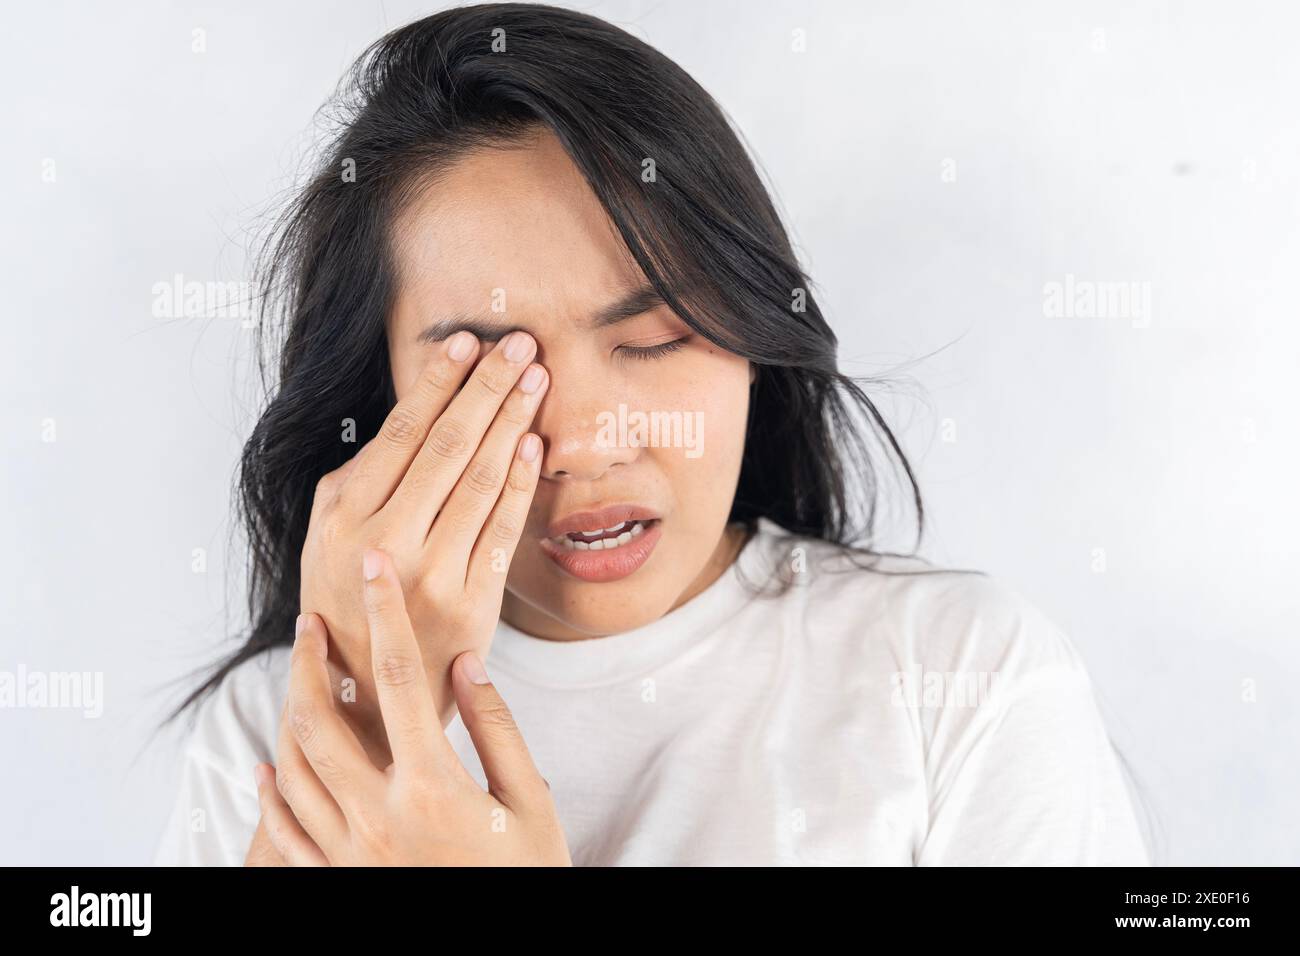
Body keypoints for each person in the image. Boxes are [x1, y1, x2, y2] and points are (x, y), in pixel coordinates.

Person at [155, 4, 1149, 866]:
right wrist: (361, 723)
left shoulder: (959, 678)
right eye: (489, 369)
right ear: (380, 396)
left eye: (654, 337)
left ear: (755, 339)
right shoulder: (263, 731)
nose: (588, 440)